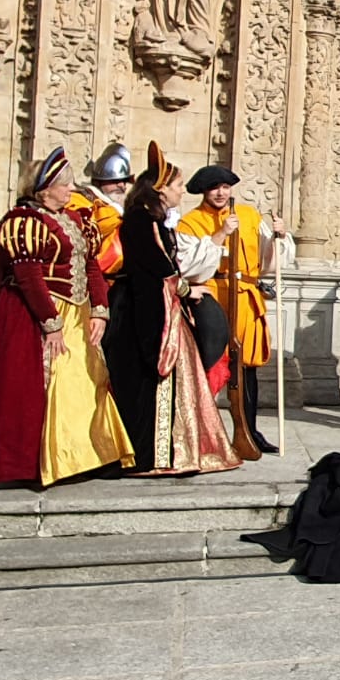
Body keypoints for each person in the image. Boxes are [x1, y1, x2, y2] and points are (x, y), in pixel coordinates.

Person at [0, 147, 133, 485]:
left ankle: (86, 455)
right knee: (37, 387)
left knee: (84, 384)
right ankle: (32, 464)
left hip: (77, 314)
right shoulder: (23, 221)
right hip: (35, 313)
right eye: (64, 185)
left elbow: (92, 266)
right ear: (43, 189)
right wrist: (50, 323)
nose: (71, 191)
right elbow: (28, 277)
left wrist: (100, 310)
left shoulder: (74, 219)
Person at [107, 143, 246, 475]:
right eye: (177, 185)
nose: (181, 191)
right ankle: (152, 455)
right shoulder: (140, 220)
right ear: (160, 189)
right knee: (152, 382)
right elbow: (157, 267)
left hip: (165, 308)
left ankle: (173, 451)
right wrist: (186, 288)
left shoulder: (155, 220)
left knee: (177, 381)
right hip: (145, 313)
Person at [176, 165, 294, 454]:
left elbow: (270, 259)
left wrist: (280, 237)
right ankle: (203, 433)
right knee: (211, 365)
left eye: (225, 187)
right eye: (214, 187)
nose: (220, 193)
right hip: (214, 298)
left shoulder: (249, 216)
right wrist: (219, 235)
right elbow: (189, 265)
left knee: (248, 367)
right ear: (204, 191)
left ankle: (249, 432)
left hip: (246, 299)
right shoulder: (190, 223)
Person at [67, 142, 131, 277]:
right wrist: (117, 212)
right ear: (99, 181)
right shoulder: (79, 199)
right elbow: (90, 228)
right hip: (88, 276)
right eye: (114, 180)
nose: (121, 185)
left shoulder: (114, 205)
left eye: (124, 181)